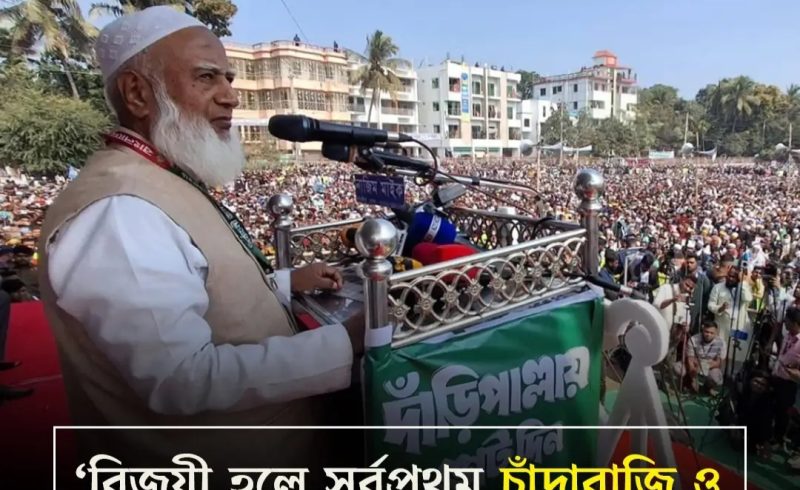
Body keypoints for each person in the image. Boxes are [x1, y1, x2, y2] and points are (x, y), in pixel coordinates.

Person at [37, 7, 363, 468]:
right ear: (137, 93)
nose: (230, 96)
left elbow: (199, 291)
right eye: (206, 77)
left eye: (228, 78)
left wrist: (285, 284)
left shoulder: (161, 176)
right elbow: (179, 379)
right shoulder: (120, 211)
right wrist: (346, 341)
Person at [770, 307, 800, 455]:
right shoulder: (788, 335)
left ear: (795, 323)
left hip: (790, 383)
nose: (784, 323)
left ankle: (779, 440)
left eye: (787, 321)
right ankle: (772, 435)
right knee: (774, 408)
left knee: (783, 412)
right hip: (777, 376)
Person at [674, 319, 725, 393]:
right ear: (702, 330)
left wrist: (702, 366)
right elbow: (690, 359)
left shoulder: (721, 343)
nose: (708, 334)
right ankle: (687, 382)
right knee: (678, 368)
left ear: (716, 332)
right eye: (706, 331)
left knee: (716, 377)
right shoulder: (693, 339)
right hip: (695, 365)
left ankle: (707, 387)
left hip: (707, 366)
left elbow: (719, 363)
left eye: (712, 333)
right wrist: (693, 376)